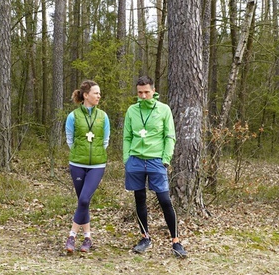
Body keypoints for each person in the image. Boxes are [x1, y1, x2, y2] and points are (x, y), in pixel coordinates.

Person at [122, 75, 187, 258]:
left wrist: (165, 159)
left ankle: (175, 241)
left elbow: (169, 136)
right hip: (135, 160)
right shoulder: (132, 111)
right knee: (139, 199)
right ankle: (145, 237)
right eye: (140, 93)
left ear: (153, 91)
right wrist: (127, 159)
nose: (143, 96)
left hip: (156, 161)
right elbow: (127, 137)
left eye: (146, 92)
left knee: (165, 200)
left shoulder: (163, 110)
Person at [64, 80, 110, 254]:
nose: (99, 96)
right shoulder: (73, 116)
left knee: (83, 200)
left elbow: (105, 140)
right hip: (77, 164)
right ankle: (88, 238)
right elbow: (70, 139)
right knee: (84, 202)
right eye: (96, 93)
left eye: (99, 93)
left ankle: (72, 236)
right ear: (86, 95)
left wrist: (95, 154)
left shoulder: (103, 116)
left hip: (97, 165)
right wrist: (81, 153)